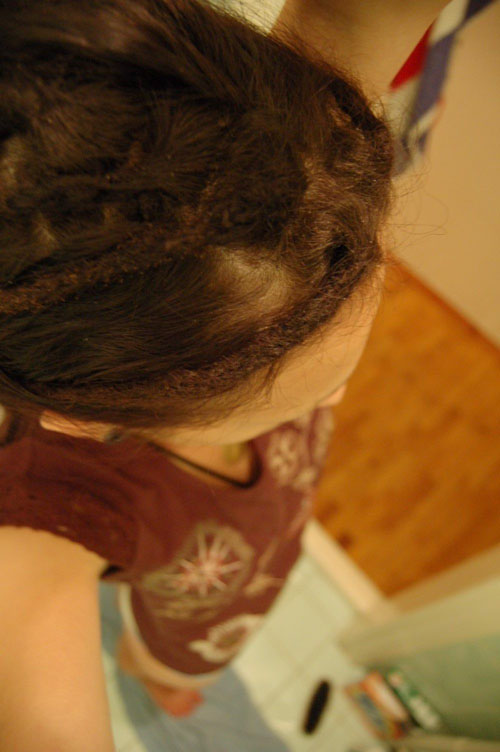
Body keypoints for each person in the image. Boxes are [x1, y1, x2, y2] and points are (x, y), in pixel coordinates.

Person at [0, 0, 453, 747]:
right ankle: (153, 670)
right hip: (179, 621)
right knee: (168, 677)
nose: (340, 397)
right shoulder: (46, 512)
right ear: (85, 420)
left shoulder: (298, 177)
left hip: (247, 575)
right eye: (307, 393)